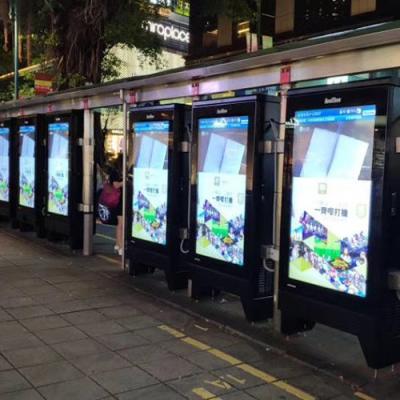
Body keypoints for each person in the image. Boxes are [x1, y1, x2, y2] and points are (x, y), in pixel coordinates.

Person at [108, 168, 123, 256]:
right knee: (121, 225)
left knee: (120, 224)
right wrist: (125, 182)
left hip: (119, 202)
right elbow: (116, 185)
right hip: (119, 202)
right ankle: (120, 247)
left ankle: (118, 245)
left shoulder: (117, 172)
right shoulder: (115, 172)